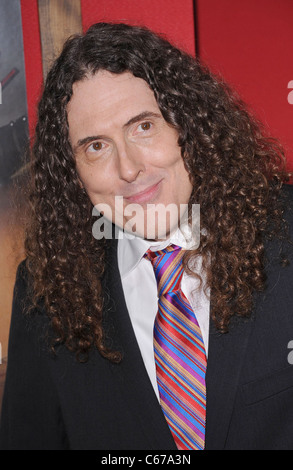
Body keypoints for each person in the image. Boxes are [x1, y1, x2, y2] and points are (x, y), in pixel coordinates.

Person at [0, 22, 293, 451]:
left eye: (143, 127)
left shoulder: (284, 229)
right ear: (71, 173)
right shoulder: (46, 292)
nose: (128, 168)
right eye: (96, 146)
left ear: (187, 123)